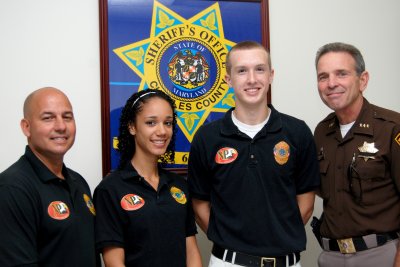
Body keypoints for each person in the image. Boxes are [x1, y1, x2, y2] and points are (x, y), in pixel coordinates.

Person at [188, 40, 320, 267]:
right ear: (229, 79)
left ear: (271, 75)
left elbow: (306, 202)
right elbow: (199, 205)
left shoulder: (297, 132)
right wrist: (231, 240)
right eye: (241, 71)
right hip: (227, 262)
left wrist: (277, 236)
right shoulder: (207, 138)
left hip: (286, 262)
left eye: (260, 69)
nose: (252, 79)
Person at [313, 42, 400, 267]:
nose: (331, 83)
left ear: (363, 80)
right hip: (330, 256)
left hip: (381, 256)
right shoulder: (322, 132)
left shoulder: (392, 128)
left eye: (341, 74)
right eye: (323, 76)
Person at [94, 89, 203, 267]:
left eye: (168, 123)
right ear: (132, 127)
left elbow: (191, 252)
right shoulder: (110, 189)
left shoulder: (180, 186)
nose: (162, 131)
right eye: (151, 122)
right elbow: (114, 262)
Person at [0, 87, 98, 266]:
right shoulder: (12, 188)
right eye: (48, 118)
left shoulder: (79, 182)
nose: (61, 126)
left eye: (67, 117)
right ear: (26, 127)